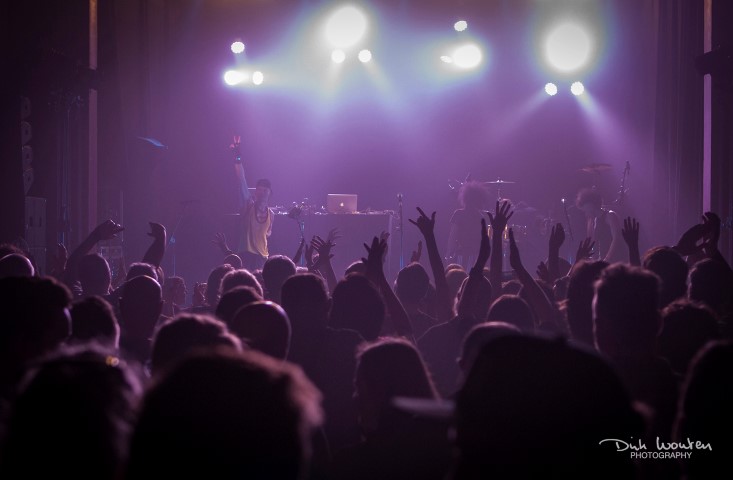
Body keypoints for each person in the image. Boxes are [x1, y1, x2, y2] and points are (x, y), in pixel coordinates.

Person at [232, 135, 273, 271]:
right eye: (259, 190)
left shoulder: (271, 214)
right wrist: (238, 154)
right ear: (256, 192)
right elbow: (241, 179)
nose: (262, 192)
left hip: (263, 257)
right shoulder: (248, 205)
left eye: (265, 190)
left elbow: (268, 232)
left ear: (269, 193)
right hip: (246, 255)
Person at [446, 181, 491, 269]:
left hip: (461, 254)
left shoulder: (459, 214)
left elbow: (452, 236)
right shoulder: (481, 216)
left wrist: (448, 254)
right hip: (476, 256)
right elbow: (484, 240)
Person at [575, 187, 624, 263]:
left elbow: (616, 238)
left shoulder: (610, 216)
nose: (585, 213)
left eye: (585, 210)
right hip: (604, 261)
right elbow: (593, 242)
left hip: (615, 261)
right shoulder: (595, 220)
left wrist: (607, 258)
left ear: (590, 205)